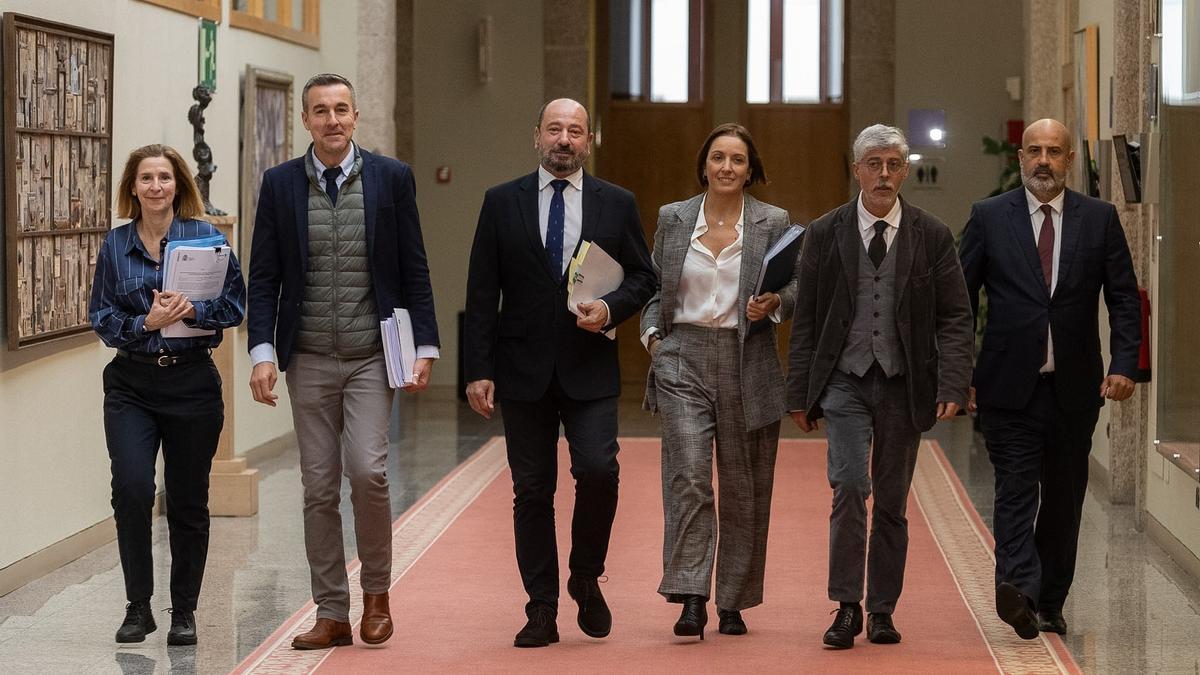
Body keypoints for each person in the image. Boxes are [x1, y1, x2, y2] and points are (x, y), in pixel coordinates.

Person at [246, 73, 439, 650]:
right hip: (306, 357)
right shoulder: (280, 184)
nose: (332, 120)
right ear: (305, 121)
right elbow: (264, 276)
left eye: (341, 109)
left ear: (356, 117)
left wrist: (423, 348)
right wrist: (261, 354)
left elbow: (414, 268)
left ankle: (377, 595)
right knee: (317, 486)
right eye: (320, 111)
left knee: (367, 472)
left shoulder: (391, 179)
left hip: (369, 358)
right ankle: (332, 611)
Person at [463, 98, 656, 648]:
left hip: (589, 363)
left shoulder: (616, 204)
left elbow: (644, 278)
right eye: (554, 129)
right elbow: (482, 293)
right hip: (520, 369)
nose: (564, 139)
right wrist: (477, 370)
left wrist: (613, 308)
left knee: (599, 471)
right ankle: (541, 606)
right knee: (532, 491)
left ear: (589, 141)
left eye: (575, 130)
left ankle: (586, 576)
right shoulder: (501, 202)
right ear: (537, 137)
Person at [786, 124, 974, 648]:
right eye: (874, 164)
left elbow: (955, 316)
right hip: (844, 381)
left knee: (891, 500)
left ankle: (882, 609)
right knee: (849, 485)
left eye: (893, 164)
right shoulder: (825, 233)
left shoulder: (931, 234)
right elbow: (807, 320)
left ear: (905, 170)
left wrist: (954, 381)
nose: (884, 174)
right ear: (857, 170)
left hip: (903, 382)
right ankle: (846, 605)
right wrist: (800, 393)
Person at [959, 118, 1141, 639]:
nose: (1043, 160)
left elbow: (1125, 299)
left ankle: (1050, 600)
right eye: (1034, 151)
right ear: (1020, 158)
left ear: (1069, 161)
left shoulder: (1099, 220)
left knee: (1063, 498)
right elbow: (958, 300)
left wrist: (1124, 364)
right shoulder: (989, 217)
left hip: (1075, 388)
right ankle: (1017, 589)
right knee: (1016, 489)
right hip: (1006, 386)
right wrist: (960, 373)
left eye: (1054, 152)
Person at [640, 123, 795, 640]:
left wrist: (776, 303)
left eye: (737, 160)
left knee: (744, 488)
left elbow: (797, 285)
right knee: (688, 477)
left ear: (752, 171)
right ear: (704, 164)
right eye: (718, 158)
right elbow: (652, 285)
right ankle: (691, 595)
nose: (727, 167)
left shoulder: (774, 222)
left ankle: (733, 600)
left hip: (746, 357)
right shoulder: (673, 217)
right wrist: (655, 341)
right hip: (683, 356)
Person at [89, 143, 245, 646]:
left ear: (179, 184)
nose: (156, 186)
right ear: (132, 188)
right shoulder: (115, 245)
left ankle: (184, 612)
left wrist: (193, 314)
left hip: (191, 384)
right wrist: (146, 322)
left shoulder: (207, 238)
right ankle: (138, 607)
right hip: (132, 384)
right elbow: (102, 318)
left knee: (187, 499)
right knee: (132, 490)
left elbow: (234, 305)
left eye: (164, 177)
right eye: (146, 178)